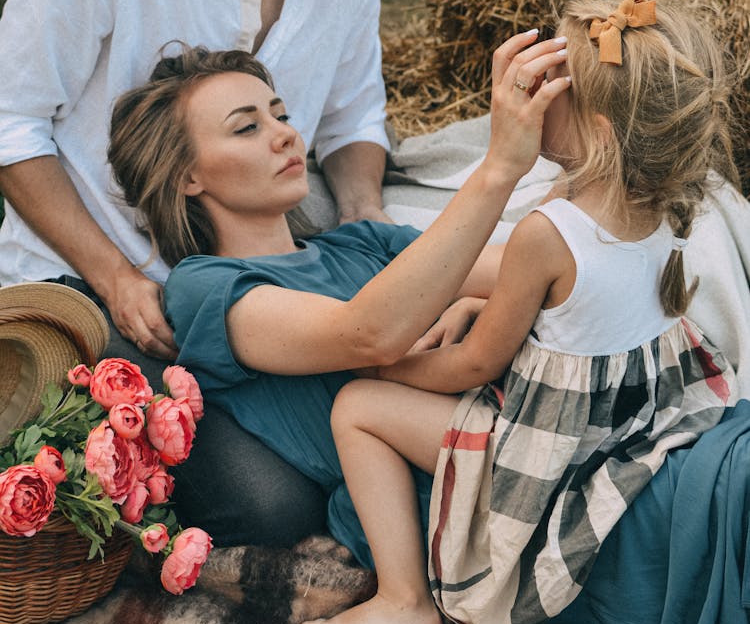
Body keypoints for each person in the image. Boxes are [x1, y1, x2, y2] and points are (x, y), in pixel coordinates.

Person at [0, 0, 404, 544]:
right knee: (274, 502)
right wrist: (114, 275)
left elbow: (355, 115)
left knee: (355, 444)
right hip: (104, 282)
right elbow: (11, 123)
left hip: (255, 287)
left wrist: (364, 216)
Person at [295, 0, 739, 624]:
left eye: (549, 86)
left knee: (359, 408)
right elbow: (582, 306)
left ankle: (402, 599)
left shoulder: (546, 230)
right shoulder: (673, 193)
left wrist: (383, 363)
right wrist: (478, 303)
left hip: (556, 450)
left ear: (597, 127)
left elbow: (476, 364)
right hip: (632, 414)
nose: (530, 97)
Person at [106, 31, 569, 552]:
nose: (284, 135)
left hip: (531, 458)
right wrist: (500, 166)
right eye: (247, 128)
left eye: (280, 116)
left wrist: (570, 137)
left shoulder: (361, 242)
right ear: (188, 176)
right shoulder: (204, 288)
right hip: (455, 524)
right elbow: (369, 334)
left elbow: (543, 262)